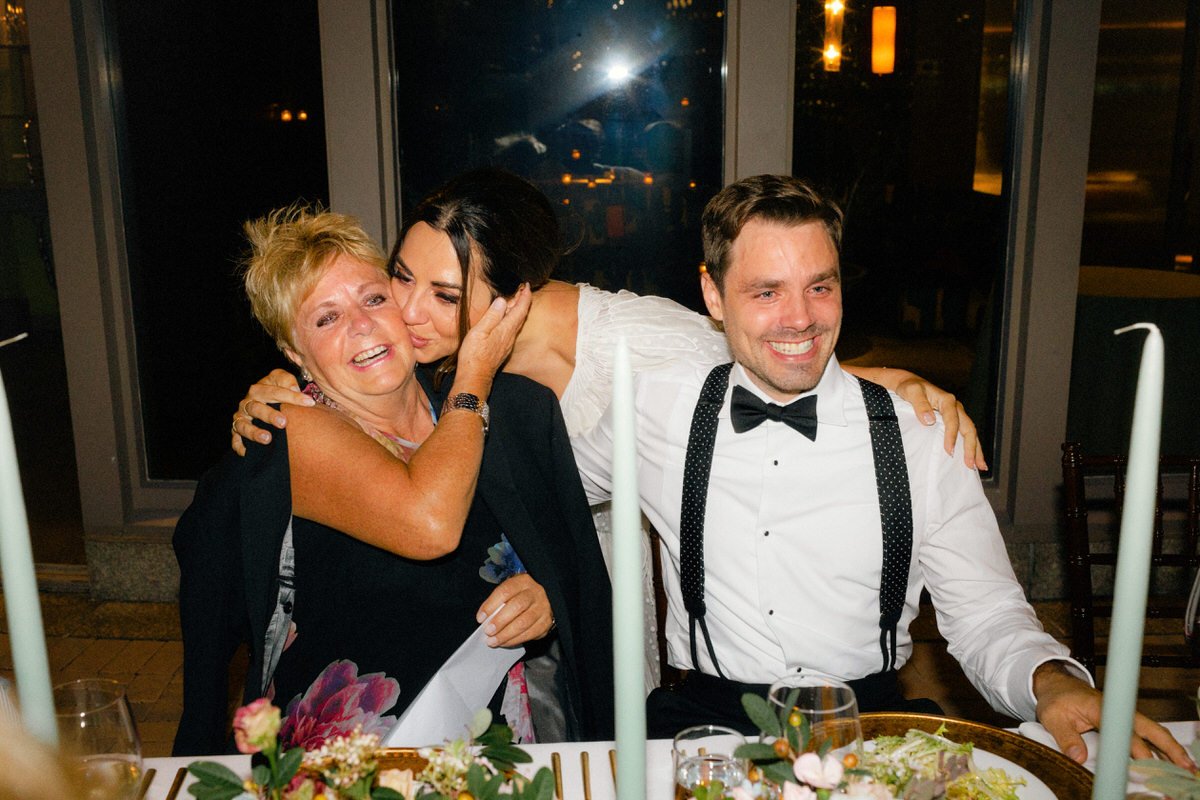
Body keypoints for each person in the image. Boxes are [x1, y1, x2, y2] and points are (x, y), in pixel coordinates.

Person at [231, 170, 987, 690]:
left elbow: (775, 370)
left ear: (514, 300)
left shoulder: (648, 350)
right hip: (509, 610)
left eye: (441, 294)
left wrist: (886, 387)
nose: (404, 311)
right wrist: (283, 382)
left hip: (629, 611)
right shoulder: (438, 357)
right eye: (400, 276)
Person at [570, 174, 1190, 766]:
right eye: (767, 292)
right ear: (713, 294)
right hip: (707, 727)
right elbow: (552, 491)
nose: (801, 318)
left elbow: (987, 610)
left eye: (820, 286)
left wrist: (1049, 682)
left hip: (871, 727)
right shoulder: (655, 407)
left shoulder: (920, 436)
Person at [173, 206, 613, 755]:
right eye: (325, 318)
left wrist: (547, 596)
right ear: (294, 355)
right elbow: (430, 523)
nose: (361, 325)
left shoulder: (513, 413)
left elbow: (568, 563)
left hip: (498, 742)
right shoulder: (295, 432)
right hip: (357, 760)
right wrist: (474, 375)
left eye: (373, 298)